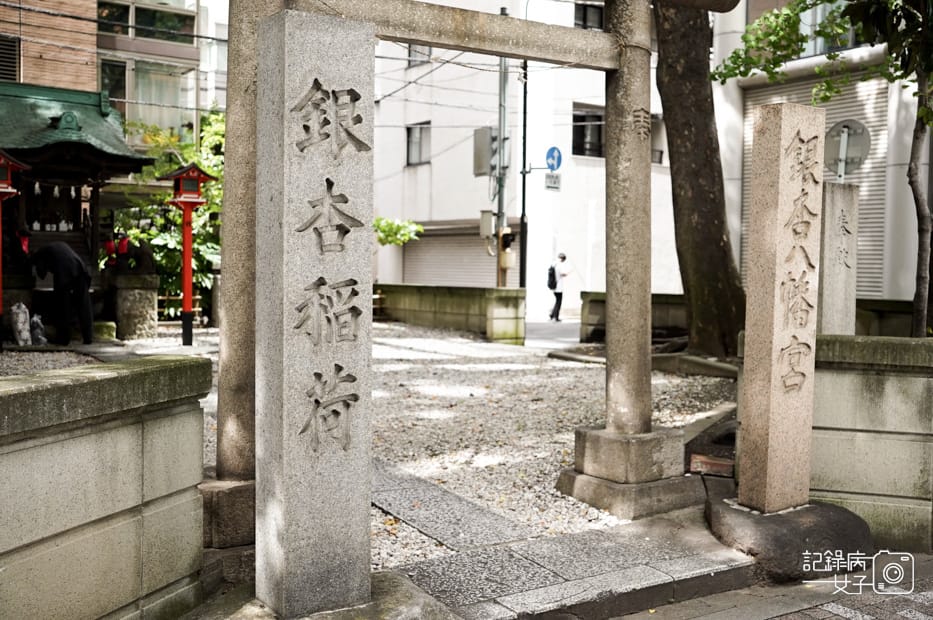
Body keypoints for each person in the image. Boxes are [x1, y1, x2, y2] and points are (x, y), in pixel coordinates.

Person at [31, 241, 93, 345]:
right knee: (84, 305)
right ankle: (88, 337)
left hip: (63, 272)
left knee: (62, 306)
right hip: (80, 268)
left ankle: (63, 339)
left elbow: (41, 273)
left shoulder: (41, 254)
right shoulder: (55, 246)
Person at [549, 252, 571, 322]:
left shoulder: (553, 264)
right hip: (558, 287)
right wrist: (567, 273)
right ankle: (556, 317)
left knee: (557, 301)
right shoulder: (560, 265)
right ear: (563, 259)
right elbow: (562, 274)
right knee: (559, 302)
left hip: (553, 286)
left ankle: (552, 315)